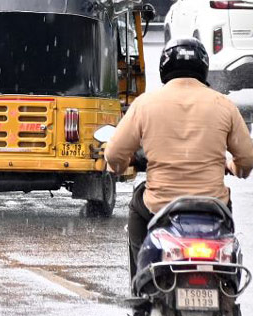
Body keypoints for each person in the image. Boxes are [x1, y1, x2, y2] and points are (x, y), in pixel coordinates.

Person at [106, 38, 253, 282]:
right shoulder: (224, 105)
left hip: (160, 206)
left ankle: (141, 281)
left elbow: (113, 155)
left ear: (165, 68)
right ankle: (226, 283)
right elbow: (246, 159)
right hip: (212, 205)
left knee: (136, 206)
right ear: (203, 68)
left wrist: (121, 166)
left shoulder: (145, 104)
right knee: (227, 222)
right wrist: (235, 167)